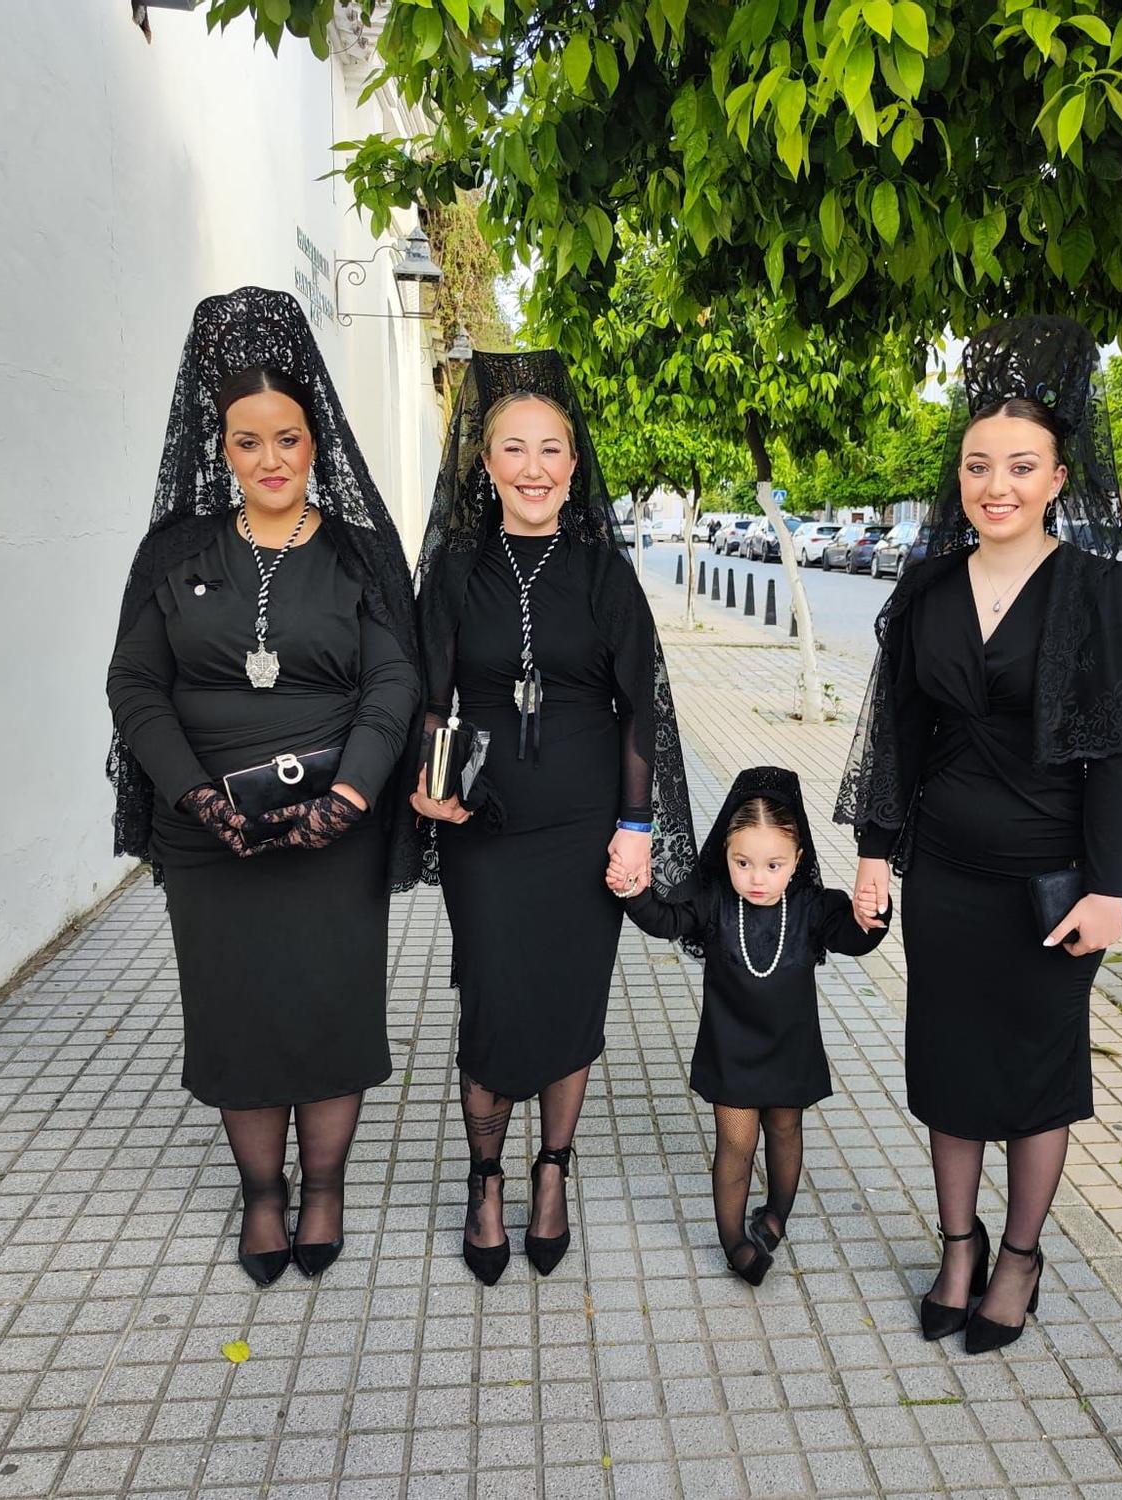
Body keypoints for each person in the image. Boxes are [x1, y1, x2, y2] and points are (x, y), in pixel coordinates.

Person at [836, 316, 1122, 1353]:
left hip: (1051, 881)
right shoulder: (927, 584)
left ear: (1058, 476)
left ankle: (1019, 1257)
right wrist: (875, 850)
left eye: (1019, 466)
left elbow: (1115, 749)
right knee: (948, 1063)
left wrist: (1107, 887)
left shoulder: (1100, 591)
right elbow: (895, 725)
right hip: (946, 873)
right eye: (978, 464)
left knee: (1032, 1069)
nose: (996, 485)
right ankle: (956, 1246)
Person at [106, 287, 422, 1286]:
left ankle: (322, 1189)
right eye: (248, 442)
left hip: (338, 828)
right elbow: (134, 683)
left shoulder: (360, 552)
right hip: (213, 838)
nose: (271, 459)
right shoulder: (174, 554)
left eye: (287, 436)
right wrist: (197, 798)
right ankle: (261, 1197)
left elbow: (394, 679)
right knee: (236, 1015)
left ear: (314, 437)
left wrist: (352, 796)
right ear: (222, 447)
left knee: (329, 1012)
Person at [405, 350, 695, 1285]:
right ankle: (486, 1177)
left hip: (582, 829)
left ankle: (552, 1168)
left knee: (573, 1005)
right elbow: (430, 697)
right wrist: (427, 776)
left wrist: (637, 825)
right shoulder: (451, 571)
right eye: (513, 449)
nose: (534, 468)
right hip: (483, 829)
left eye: (552, 450)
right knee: (491, 1001)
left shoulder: (606, 573)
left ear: (575, 465)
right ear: (484, 464)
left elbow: (641, 706)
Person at [616, 766, 889, 1284]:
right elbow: (665, 920)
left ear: (798, 860)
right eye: (743, 863)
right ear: (726, 855)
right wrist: (633, 892)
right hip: (731, 1049)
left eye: (773, 864)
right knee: (736, 1146)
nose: (757, 878)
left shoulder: (812, 907)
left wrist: (876, 913)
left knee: (785, 1130)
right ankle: (735, 1242)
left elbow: (856, 937)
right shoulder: (714, 901)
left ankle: (776, 1216)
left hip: (790, 1047)